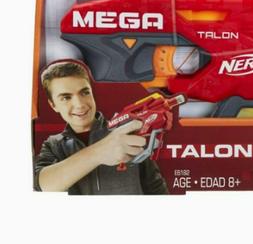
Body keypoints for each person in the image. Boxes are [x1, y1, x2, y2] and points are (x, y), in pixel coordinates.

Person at [34, 60, 168, 195]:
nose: (80, 104)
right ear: (53, 105)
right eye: (66, 98)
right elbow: (42, 186)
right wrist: (100, 152)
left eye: (84, 93)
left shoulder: (127, 131)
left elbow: (157, 189)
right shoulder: (53, 145)